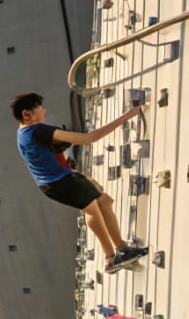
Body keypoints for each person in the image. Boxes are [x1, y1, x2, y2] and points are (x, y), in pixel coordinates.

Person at [10, 92, 148, 273]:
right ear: (27, 114)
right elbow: (89, 138)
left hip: (54, 183)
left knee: (104, 202)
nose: (44, 111)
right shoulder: (37, 131)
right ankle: (111, 257)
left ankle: (122, 248)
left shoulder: (22, 133)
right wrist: (127, 115)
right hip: (60, 182)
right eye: (40, 108)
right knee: (92, 210)